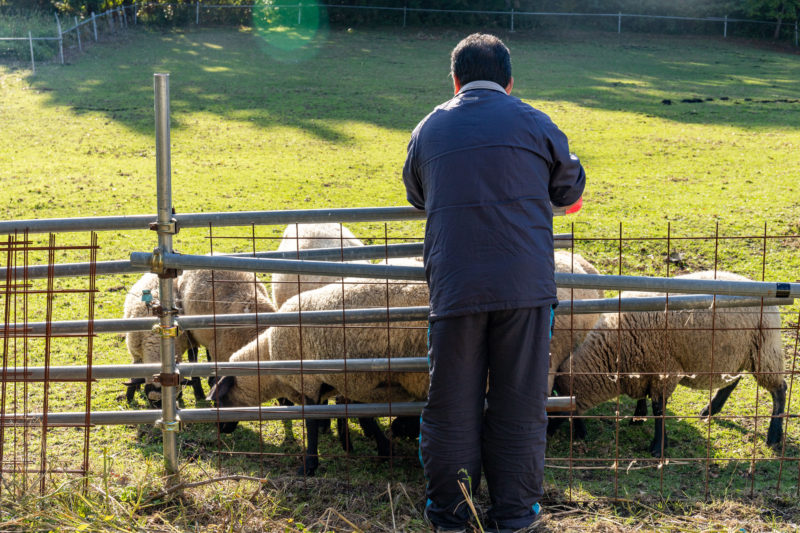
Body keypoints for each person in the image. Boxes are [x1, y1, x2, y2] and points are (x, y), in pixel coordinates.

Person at [402, 33, 585, 532]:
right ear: (510, 81)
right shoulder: (535, 121)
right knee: (520, 402)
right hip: (525, 290)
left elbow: (417, 193)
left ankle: (451, 514)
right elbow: (570, 189)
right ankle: (514, 515)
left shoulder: (429, 128)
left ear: (455, 79)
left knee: (451, 404)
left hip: (456, 287)